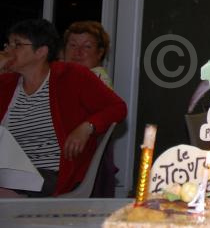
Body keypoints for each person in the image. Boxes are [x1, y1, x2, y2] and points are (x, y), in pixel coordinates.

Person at [0, 19, 126, 196]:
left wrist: (87, 126)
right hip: (8, 172)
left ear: (41, 52)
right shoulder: (6, 84)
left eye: (17, 44)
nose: (7, 50)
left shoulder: (72, 76)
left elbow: (117, 107)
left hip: (51, 173)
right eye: (8, 43)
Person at [63, 21, 112, 87]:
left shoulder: (97, 80)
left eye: (87, 46)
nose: (78, 51)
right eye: (73, 45)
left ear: (100, 53)